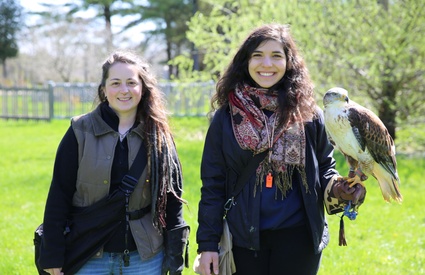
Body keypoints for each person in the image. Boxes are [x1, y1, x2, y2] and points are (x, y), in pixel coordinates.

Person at [196, 24, 366, 275]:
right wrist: (207, 244)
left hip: (299, 239)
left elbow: (325, 167)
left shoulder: (310, 115)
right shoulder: (226, 118)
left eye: (276, 56)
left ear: (289, 62)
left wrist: (341, 188)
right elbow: (213, 183)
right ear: (246, 61)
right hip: (243, 240)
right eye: (258, 55)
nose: (267, 64)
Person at [38, 50, 189, 275]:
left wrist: (175, 256)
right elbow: (59, 195)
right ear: (104, 89)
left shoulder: (159, 135)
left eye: (131, 82)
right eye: (116, 83)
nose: (124, 90)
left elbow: (172, 201)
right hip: (88, 255)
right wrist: (52, 254)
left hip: (144, 258)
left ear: (143, 88)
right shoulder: (79, 131)